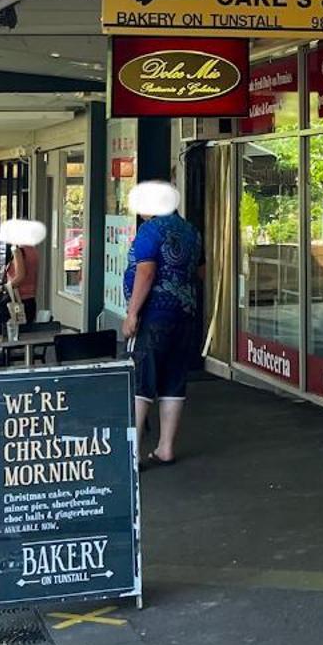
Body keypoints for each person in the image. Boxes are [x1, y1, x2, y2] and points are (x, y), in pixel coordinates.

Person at [122, 182, 203, 468]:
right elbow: (200, 271)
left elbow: (146, 271)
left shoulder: (151, 231)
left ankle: (132, 454)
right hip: (185, 315)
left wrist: (133, 313)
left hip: (153, 316)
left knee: (141, 380)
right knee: (173, 380)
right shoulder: (191, 231)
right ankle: (165, 447)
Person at [5, 236, 39, 327]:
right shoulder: (33, 251)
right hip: (30, 300)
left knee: (14, 332)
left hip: (17, 301)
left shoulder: (18, 251)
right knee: (28, 334)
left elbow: (20, 276)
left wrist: (2, 288)